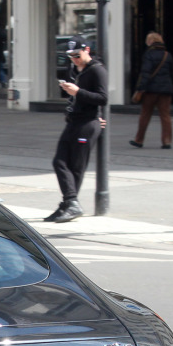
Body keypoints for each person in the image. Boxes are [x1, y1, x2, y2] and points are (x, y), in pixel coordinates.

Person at [46, 39, 107, 224]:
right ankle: (69, 202)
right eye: (71, 56)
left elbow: (103, 98)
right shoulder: (73, 69)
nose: (74, 59)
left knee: (76, 167)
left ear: (86, 50)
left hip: (87, 124)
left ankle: (70, 203)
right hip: (73, 121)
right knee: (59, 162)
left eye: (77, 55)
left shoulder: (97, 70)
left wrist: (78, 92)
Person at [131, 31, 173, 150]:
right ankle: (166, 141)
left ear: (150, 41)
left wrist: (140, 88)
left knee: (145, 115)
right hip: (166, 90)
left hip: (151, 90)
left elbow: (145, 73)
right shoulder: (167, 55)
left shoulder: (149, 54)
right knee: (165, 116)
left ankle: (139, 140)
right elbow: (172, 72)